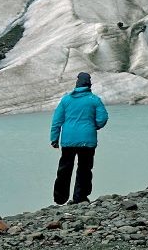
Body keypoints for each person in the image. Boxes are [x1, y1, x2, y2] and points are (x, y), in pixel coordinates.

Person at [50, 72, 109, 205]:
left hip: (68, 141)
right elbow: (103, 118)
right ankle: (80, 197)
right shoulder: (94, 100)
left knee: (65, 168)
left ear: (77, 84)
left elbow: (57, 121)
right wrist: (94, 126)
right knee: (84, 169)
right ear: (89, 84)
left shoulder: (66, 100)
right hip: (87, 141)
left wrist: (54, 138)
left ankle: (60, 198)